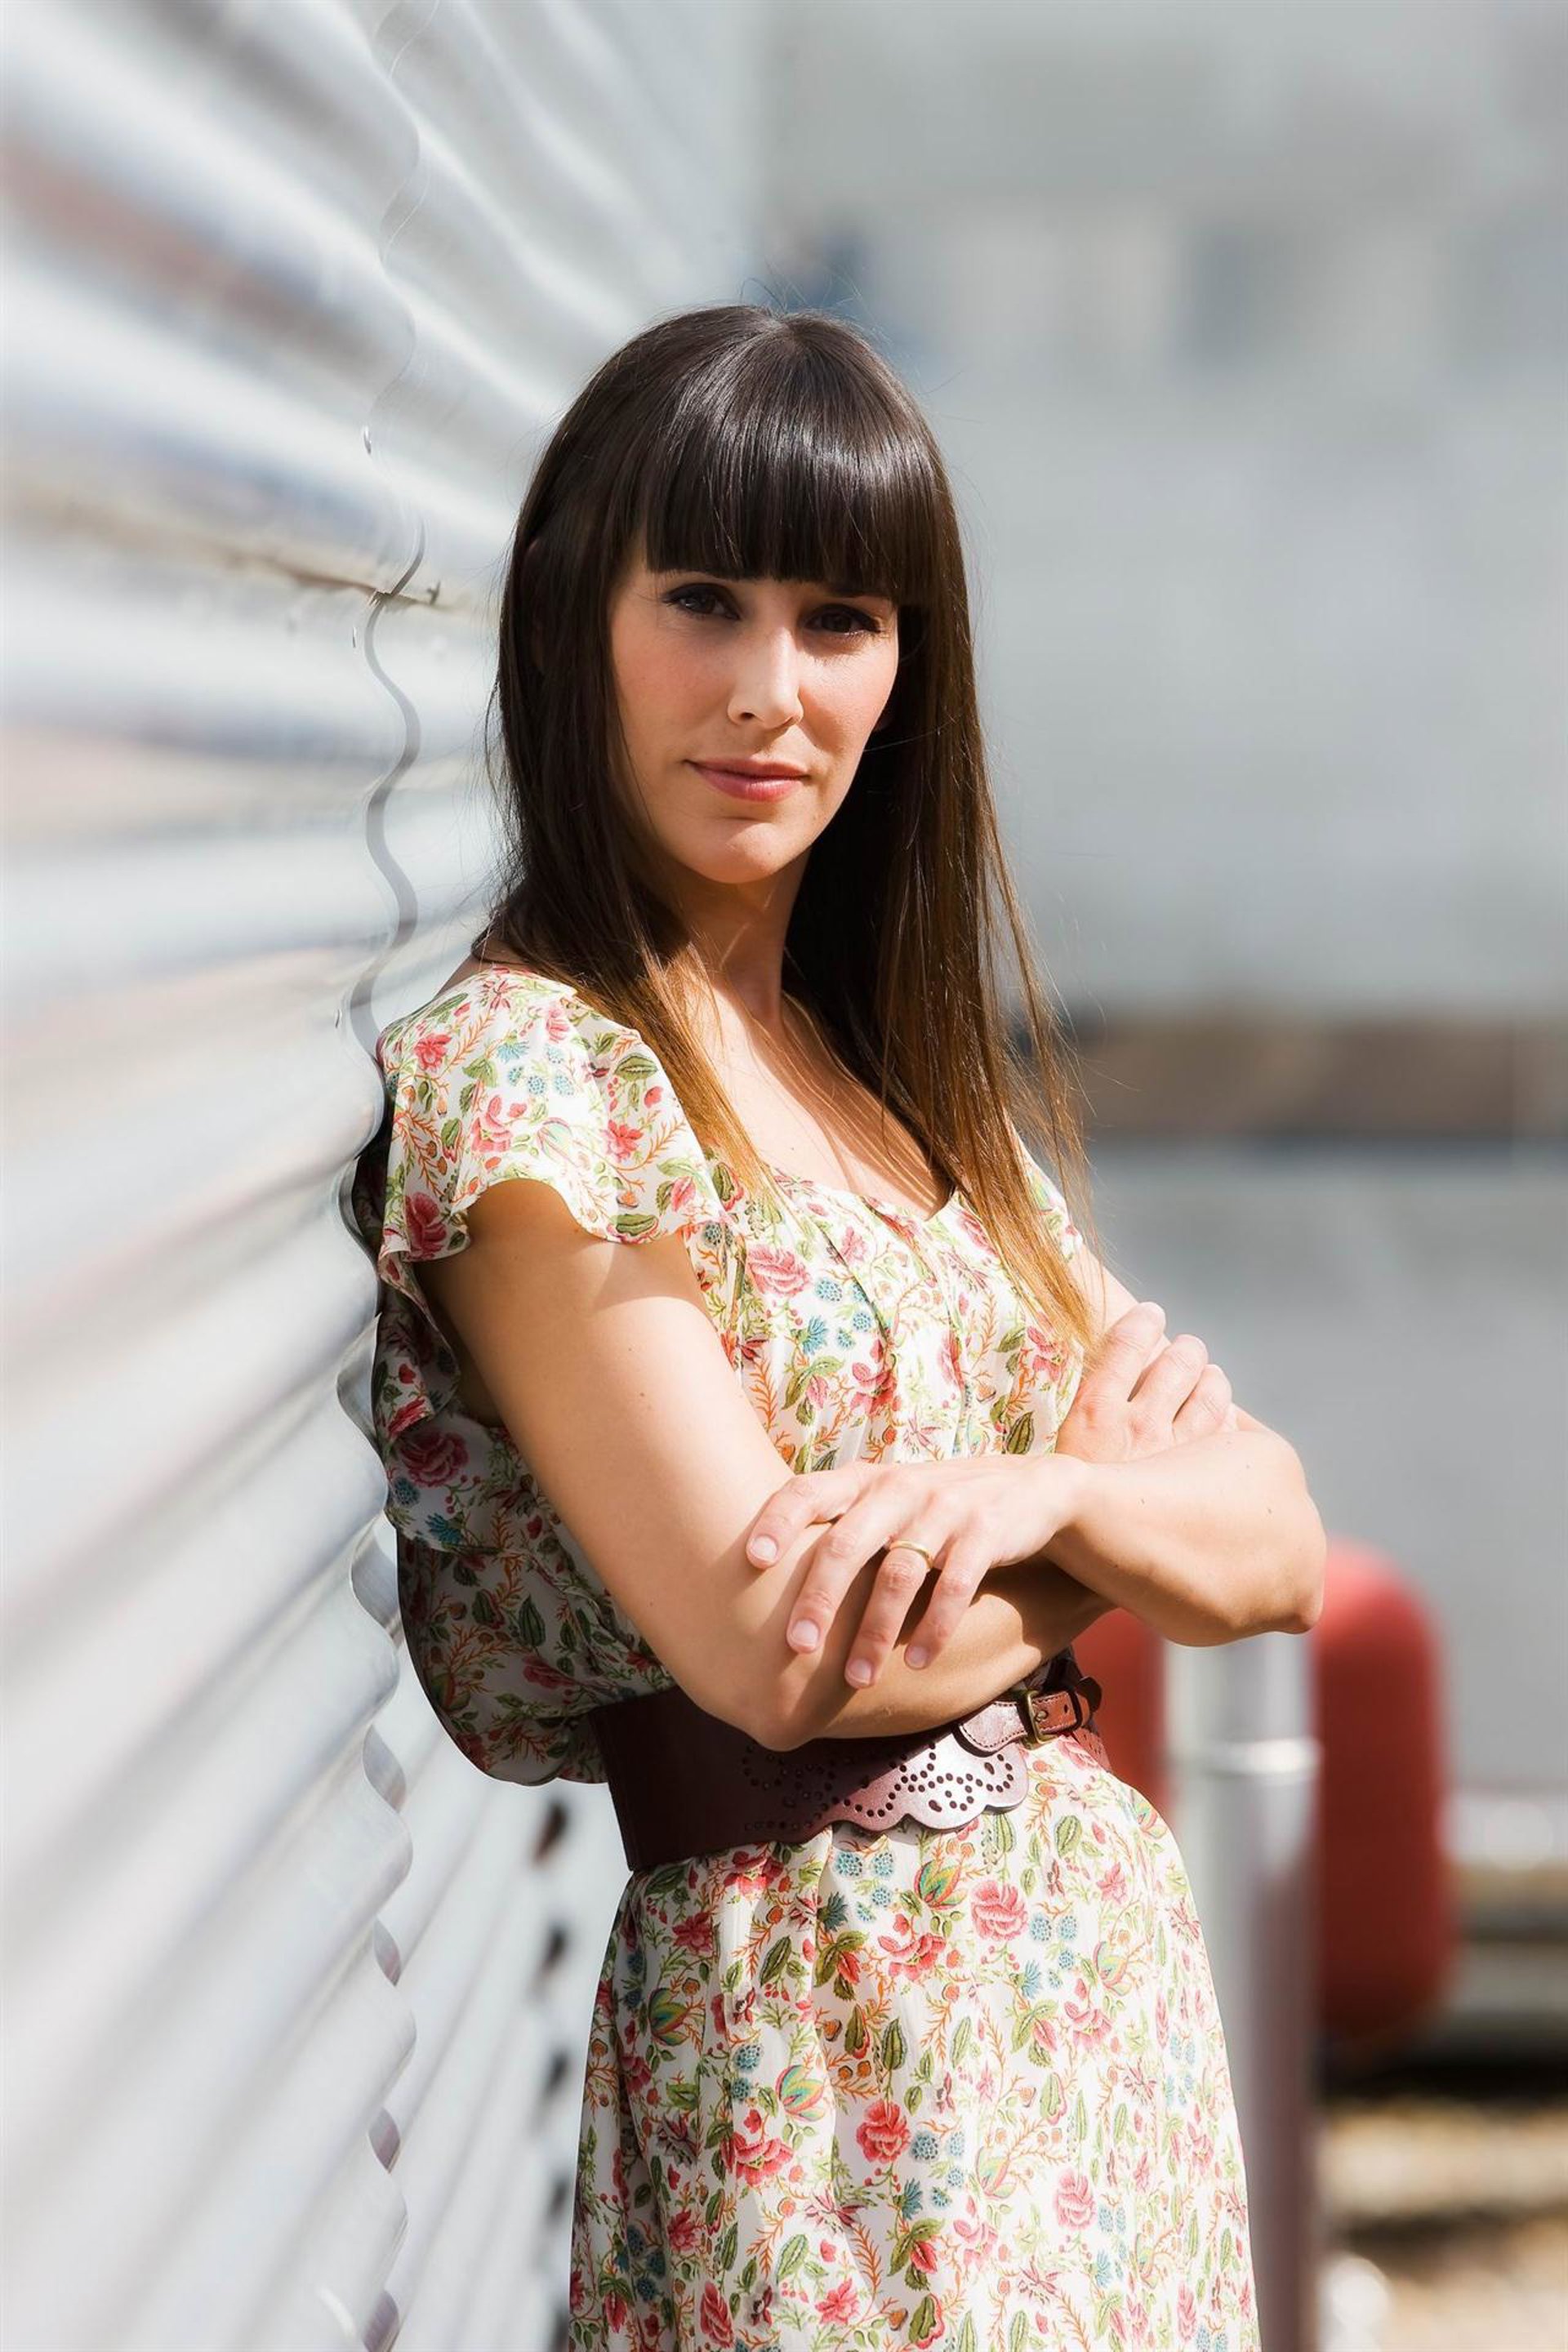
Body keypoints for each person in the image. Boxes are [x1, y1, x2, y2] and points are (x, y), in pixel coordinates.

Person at [351, 302, 1325, 2349]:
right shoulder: (534, 1084)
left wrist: (1046, 1496)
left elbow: (1275, 1542)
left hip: (1087, 2036)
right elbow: (778, 1651)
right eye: (703, 601)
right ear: (574, 617)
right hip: (823, 2051)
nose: (769, 691)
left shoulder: (899, 1081)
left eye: (841, 621)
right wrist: (1112, 1522)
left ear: (907, 669)